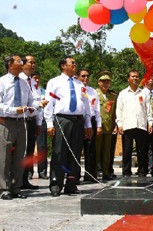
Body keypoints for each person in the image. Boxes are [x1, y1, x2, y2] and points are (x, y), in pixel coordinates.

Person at [0, 55, 47, 200]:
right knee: (4, 156)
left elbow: (31, 101)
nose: (22, 64)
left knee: (20, 155)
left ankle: (16, 187)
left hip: (22, 122)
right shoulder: (2, 82)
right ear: (10, 64)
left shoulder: (24, 83)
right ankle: (4, 188)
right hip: (6, 121)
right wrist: (15, 110)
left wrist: (39, 104)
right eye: (19, 61)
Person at [44, 57, 93, 197]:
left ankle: (71, 184)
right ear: (63, 66)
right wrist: (48, 123)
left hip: (78, 120)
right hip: (62, 119)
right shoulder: (55, 82)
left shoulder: (79, 84)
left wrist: (88, 123)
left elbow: (86, 104)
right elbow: (49, 103)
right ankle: (56, 183)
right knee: (60, 152)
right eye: (72, 63)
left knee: (75, 152)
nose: (75, 66)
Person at [116, 70, 153, 177]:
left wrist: (150, 122)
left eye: (137, 76)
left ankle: (142, 171)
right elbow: (119, 110)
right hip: (127, 125)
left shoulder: (144, 93)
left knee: (142, 150)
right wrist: (120, 124)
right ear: (128, 79)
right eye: (133, 76)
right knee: (127, 150)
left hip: (141, 124)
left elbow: (149, 109)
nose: (135, 78)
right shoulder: (123, 93)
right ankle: (126, 172)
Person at [19, 55, 43, 189]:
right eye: (30, 62)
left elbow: (38, 104)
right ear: (23, 64)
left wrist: (39, 122)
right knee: (20, 151)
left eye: (34, 62)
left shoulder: (33, 82)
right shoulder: (19, 80)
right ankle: (15, 179)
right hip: (21, 119)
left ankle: (24, 179)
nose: (33, 65)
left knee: (29, 151)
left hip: (32, 120)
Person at [78, 69, 102, 182]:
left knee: (90, 149)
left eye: (87, 76)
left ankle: (90, 175)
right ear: (77, 77)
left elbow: (97, 109)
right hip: (78, 120)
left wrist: (99, 124)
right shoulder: (75, 89)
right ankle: (74, 175)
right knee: (77, 148)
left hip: (91, 121)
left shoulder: (92, 91)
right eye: (83, 76)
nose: (86, 78)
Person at [96, 71, 117, 181]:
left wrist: (115, 125)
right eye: (103, 81)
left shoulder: (112, 96)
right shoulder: (94, 94)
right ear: (98, 82)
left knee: (107, 152)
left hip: (109, 127)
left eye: (108, 82)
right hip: (97, 127)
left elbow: (114, 113)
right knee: (96, 151)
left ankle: (106, 172)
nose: (105, 84)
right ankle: (95, 172)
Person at [32, 71, 49, 179]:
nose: (37, 80)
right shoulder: (28, 90)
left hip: (42, 121)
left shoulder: (44, 92)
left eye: (38, 78)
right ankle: (28, 172)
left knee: (42, 147)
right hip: (30, 119)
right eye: (34, 78)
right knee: (28, 147)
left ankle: (42, 171)